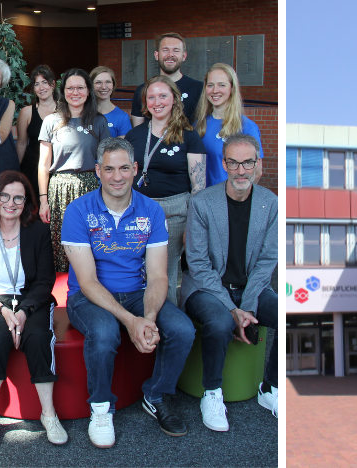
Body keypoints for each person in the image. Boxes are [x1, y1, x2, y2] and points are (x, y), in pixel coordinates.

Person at [62, 137, 195, 447]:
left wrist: (147, 317)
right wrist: (129, 320)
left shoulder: (151, 211)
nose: (117, 176)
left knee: (182, 329)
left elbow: (159, 275)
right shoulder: (78, 211)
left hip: (137, 291)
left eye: (124, 168)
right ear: (97, 171)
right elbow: (89, 281)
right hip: (87, 295)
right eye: (109, 169)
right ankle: (101, 407)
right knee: (106, 332)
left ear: (136, 169)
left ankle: (156, 395)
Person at [182, 134, 279, 430]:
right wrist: (232, 310)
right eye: (234, 162)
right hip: (205, 288)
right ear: (224, 164)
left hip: (251, 288)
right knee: (220, 323)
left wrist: (246, 305)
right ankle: (212, 393)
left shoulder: (270, 203)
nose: (241, 170)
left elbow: (267, 262)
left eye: (247, 162)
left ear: (257, 163)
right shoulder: (202, 203)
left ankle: (270, 388)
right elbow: (198, 264)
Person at [0, 171, 65, 448]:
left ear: (27, 202)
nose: (11, 203)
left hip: (30, 299)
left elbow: (46, 280)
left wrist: (23, 312)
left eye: (19, 197)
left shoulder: (38, 232)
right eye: (5, 196)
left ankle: (49, 414)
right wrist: (1, 309)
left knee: (38, 336)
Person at [123, 75, 206, 308]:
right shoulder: (134, 135)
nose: (156, 101)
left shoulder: (188, 136)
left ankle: (166, 328)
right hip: (138, 210)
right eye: (151, 97)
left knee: (163, 275)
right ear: (145, 102)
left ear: (174, 100)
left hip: (175, 212)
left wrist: (194, 225)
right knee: (135, 272)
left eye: (163, 96)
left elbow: (198, 187)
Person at [38, 68, 111, 272]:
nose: (75, 92)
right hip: (59, 189)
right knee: (61, 243)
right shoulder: (51, 121)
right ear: (63, 91)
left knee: (91, 240)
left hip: (90, 189)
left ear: (88, 91)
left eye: (80, 87)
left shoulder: (98, 121)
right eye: (70, 88)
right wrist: (43, 201)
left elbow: (106, 163)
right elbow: (43, 165)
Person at [194, 63, 263, 187]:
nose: (215, 90)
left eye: (222, 85)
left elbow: (256, 172)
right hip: (203, 201)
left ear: (232, 88)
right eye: (210, 85)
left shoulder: (246, 127)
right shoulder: (198, 126)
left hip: (230, 200)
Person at [130, 33, 204, 127]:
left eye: (176, 50)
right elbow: (137, 132)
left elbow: (203, 126)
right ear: (157, 55)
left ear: (184, 56)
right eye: (165, 50)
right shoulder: (142, 90)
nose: (170, 55)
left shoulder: (198, 88)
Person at [16, 64, 58, 202]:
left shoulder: (64, 110)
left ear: (53, 84)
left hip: (56, 169)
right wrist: (17, 171)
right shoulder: (26, 112)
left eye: (44, 83)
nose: (41, 88)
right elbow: (22, 144)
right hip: (31, 167)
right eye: (37, 84)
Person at [90, 66, 132, 138]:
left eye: (108, 82)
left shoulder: (122, 117)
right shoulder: (82, 113)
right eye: (98, 82)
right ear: (91, 85)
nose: (103, 87)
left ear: (113, 85)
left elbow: (122, 148)